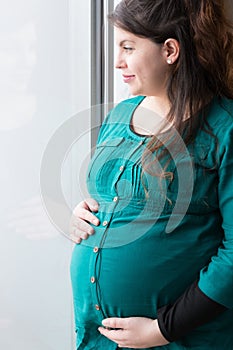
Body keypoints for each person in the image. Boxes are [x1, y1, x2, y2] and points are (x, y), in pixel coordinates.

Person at [70, 0, 233, 349]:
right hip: (97, 336)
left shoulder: (224, 129)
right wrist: (85, 213)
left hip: (180, 340)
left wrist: (162, 329)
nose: (117, 62)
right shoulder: (120, 114)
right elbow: (118, 202)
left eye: (128, 47)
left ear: (170, 50)